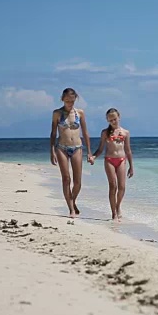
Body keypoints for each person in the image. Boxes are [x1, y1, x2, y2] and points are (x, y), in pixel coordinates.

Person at [50, 88, 92, 218]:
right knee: (66, 178)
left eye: (72, 101)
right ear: (62, 99)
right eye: (67, 100)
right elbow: (53, 133)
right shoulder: (57, 113)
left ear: (75, 100)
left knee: (78, 181)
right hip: (61, 147)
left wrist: (89, 152)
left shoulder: (80, 113)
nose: (69, 103)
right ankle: (71, 209)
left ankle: (72, 201)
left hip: (77, 147)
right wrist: (52, 151)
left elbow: (85, 133)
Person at [89, 108, 134, 221]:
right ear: (108, 121)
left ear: (119, 117)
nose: (113, 122)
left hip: (122, 160)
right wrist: (93, 157)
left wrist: (131, 166)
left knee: (122, 187)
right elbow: (100, 149)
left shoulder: (125, 132)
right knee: (113, 186)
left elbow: (128, 150)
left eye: (115, 119)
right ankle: (113, 212)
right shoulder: (105, 133)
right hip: (109, 160)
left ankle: (118, 206)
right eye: (110, 120)